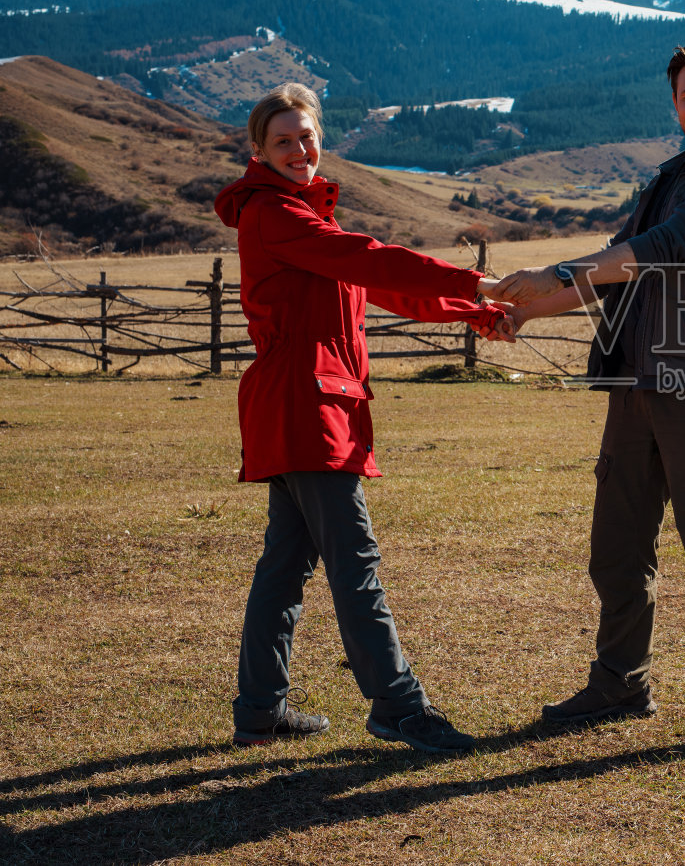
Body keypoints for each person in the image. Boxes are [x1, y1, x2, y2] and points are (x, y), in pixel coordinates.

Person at [494, 40, 685, 753]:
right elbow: (612, 270)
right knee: (617, 550)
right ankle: (621, 683)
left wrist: (553, 270)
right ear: (675, 103)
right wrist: (526, 310)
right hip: (635, 391)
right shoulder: (667, 179)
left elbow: (660, 250)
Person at [214, 83, 513, 754]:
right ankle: (398, 706)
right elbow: (370, 258)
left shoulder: (303, 219)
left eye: (307, 136)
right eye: (283, 141)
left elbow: (381, 284)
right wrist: (474, 281)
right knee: (355, 563)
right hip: (307, 409)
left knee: (284, 567)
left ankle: (259, 709)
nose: (299, 149)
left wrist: (478, 312)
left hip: (307, 406)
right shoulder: (275, 214)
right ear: (258, 150)